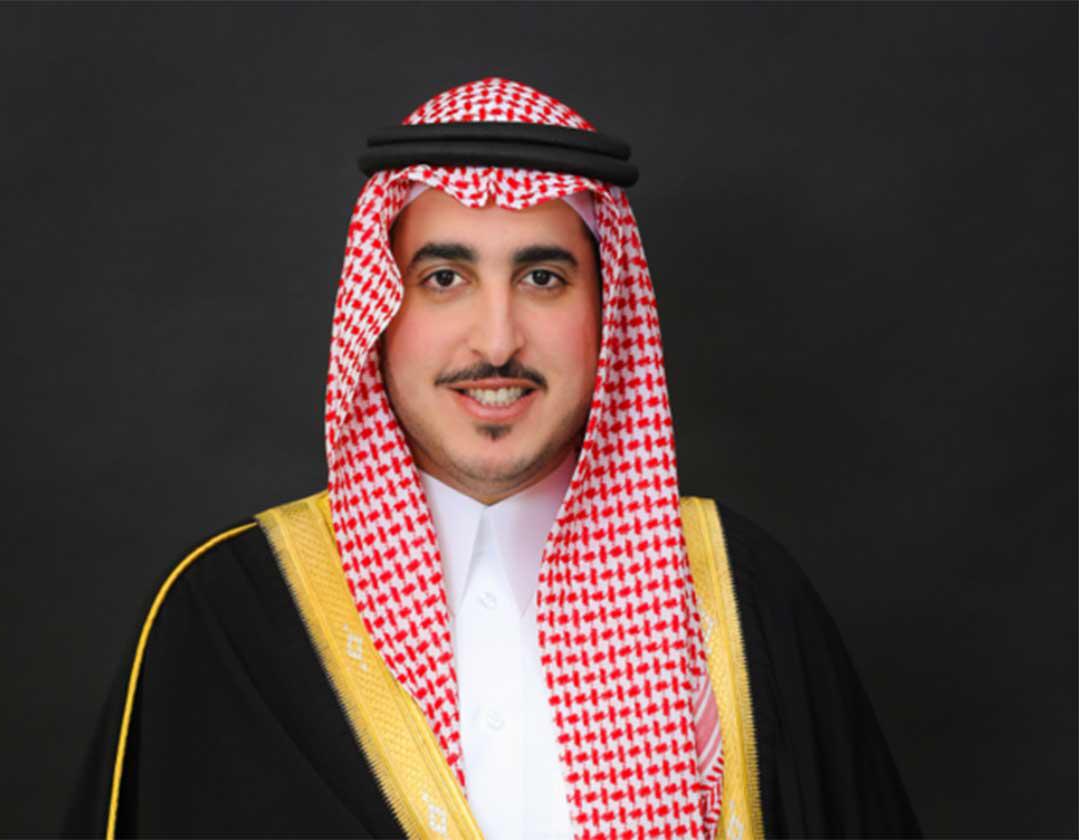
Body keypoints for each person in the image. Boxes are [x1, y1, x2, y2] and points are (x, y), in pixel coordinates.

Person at [65, 78, 920, 839]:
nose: (497, 340)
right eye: (444, 279)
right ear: (380, 313)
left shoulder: (742, 597)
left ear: (607, 313)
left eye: (543, 278)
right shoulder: (228, 616)